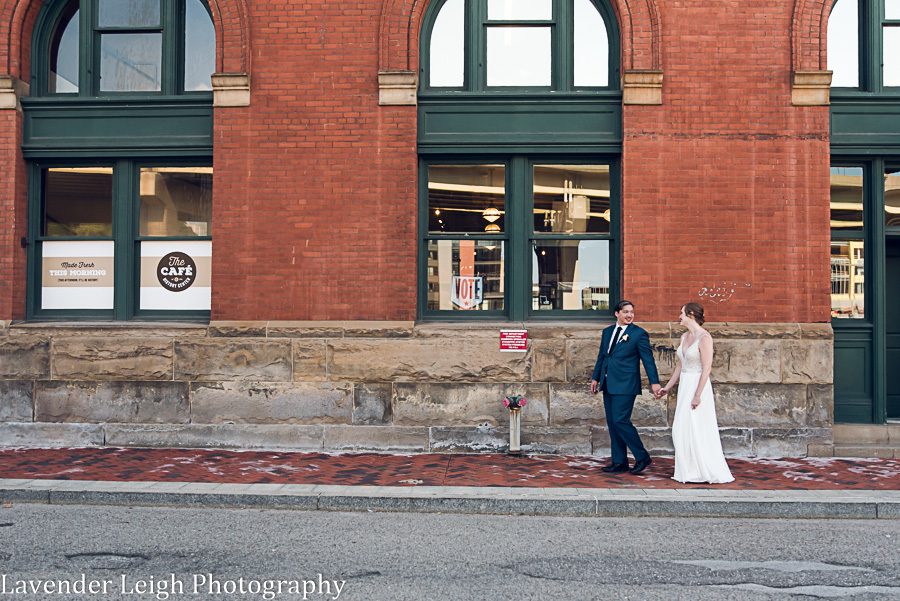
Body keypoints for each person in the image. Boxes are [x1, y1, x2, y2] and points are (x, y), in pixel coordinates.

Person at [656, 302, 734, 484]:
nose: (679, 316)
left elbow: (707, 367)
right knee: (681, 428)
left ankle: (702, 470)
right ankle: (688, 470)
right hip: (684, 384)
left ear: (690, 314)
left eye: (681, 313)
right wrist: (667, 387)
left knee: (698, 428)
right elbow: (679, 365)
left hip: (698, 385)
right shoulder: (685, 336)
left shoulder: (704, 337)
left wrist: (698, 395)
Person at [591, 300, 661, 475]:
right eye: (625, 312)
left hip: (626, 385)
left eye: (631, 312)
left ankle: (642, 456)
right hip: (607, 383)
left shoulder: (639, 334)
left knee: (621, 421)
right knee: (613, 424)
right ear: (617, 313)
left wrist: (654, 382)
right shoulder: (607, 332)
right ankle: (619, 462)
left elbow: (648, 360)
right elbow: (603, 356)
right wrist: (595, 377)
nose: (629, 315)